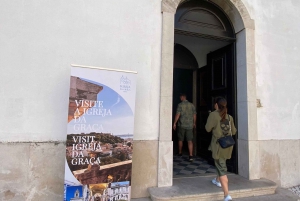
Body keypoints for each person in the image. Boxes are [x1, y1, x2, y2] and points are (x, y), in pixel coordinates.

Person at [205, 97, 237, 201]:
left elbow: (207, 129)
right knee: (220, 163)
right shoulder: (229, 117)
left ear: (216, 105)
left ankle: (226, 195)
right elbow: (234, 131)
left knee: (221, 167)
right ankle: (217, 180)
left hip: (218, 146)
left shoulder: (213, 115)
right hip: (227, 146)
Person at [173, 93, 196, 161]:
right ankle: (191, 155)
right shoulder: (192, 105)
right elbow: (194, 114)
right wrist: (194, 123)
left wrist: (174, 123)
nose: (180, 98)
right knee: (190, 140)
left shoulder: (180, 105)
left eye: (180, 97)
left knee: (180, 139)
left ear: (182, 97)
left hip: (181, 125)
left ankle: (180, 152)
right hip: (190, 125)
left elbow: (178, 114)